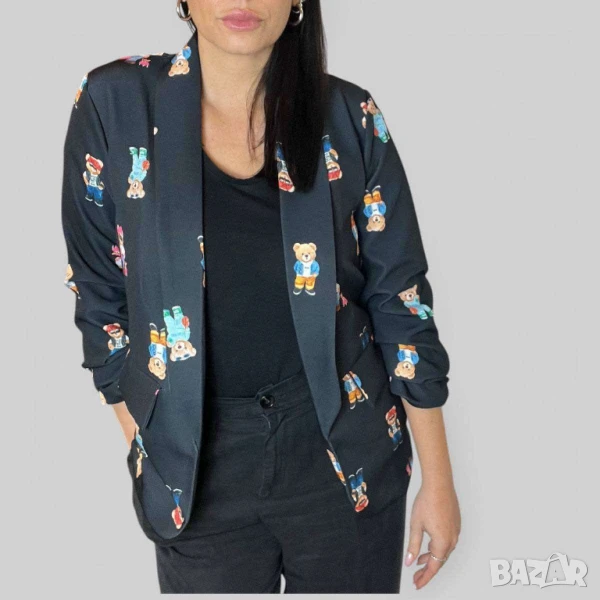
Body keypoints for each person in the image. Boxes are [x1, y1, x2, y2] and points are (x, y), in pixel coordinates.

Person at [61, 0, 461, 593]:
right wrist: (149, 434)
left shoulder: (349, 116)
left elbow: (400, 301)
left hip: (342, 457)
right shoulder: (114, 103)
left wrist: (439, 480)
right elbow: (99, 295)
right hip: (196, 470)